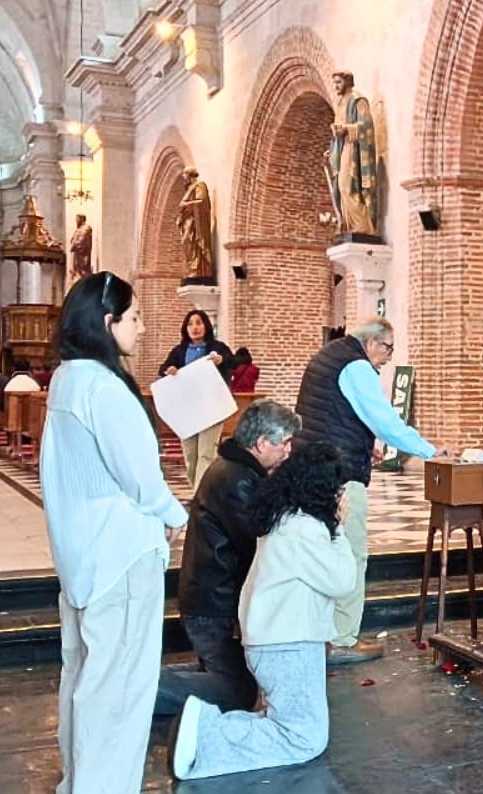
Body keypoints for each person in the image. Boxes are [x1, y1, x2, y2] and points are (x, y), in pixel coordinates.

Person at [40, 272, 187, 794]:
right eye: (134, 317)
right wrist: (178, 515)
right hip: (120, 553)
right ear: (107, 323)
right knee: (120, 685)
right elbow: (140, 477)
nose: (142, 327)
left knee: (85, 678)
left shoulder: (67, 379)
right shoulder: (102, 387)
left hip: (82, 553)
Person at [169, 441, 358, 780]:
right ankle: (206, 738)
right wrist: (340, 528)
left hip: (279, 640)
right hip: (289, 644)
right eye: (338, 489)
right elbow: (343, 579)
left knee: (291, 724)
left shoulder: (284, 518)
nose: (341, 496)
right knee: (303, 738)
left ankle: (205, 726)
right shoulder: (304, 529)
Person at [294, 317, 447, 664]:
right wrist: (428, 450)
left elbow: (333, 415)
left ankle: (320, 633)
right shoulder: (356, 365)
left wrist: (363, 445)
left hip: (314, 468)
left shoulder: (330, 354)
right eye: (388, 349)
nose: (388, 358)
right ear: (372, 343)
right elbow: (384, 420)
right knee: (349, 553)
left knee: (321, 552)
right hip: (339, 475)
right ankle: (342, 639)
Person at [157, 399, 298, 715]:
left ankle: (142, 684)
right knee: (235, 693)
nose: (289, 451)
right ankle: (140, 689)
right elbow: (257, 540)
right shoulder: (236, 479)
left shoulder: (237, 470)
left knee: (233, 681)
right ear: (261, 443)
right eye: (285, 443)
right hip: (213, 605)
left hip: (213, 598)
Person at [159, 310, 238, 489]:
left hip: (212, 407)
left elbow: (235, 361)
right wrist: (169, 370)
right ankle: (196, 489)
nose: (194, 327)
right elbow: (163, 368)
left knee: (206, 453)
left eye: (199, 322)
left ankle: (200, 494)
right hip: (188, 409)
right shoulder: (179, 351)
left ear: (206, 325)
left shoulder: (217, 347)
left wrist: (222, 360)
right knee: (190, 455)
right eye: (190, 324)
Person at [327, 71, 380, 238]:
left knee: (348, 185)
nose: (336, 86)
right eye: (334, 83)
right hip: (342, 147)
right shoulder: (340, 103)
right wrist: (332, 148)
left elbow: (366, 125)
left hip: (353, 148)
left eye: (339, 82)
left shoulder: (358, 100)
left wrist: (346, 129)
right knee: (339, 187)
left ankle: (363, 226)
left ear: (348, 82)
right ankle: (348, 224)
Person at [177, 167, 214, 283]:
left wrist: (186, 205)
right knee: (185, 242)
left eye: (185, 175)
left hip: (196, 223)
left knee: (193, 243)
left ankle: (199, 271)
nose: (184, 178)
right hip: (188, 221)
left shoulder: (200, 186)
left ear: (191, 175)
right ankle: (191, 269)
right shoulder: (189, 189)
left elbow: (201, 201)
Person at [68, 214, 93, 281]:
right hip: (77, 255)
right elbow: (73, 239)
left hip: (82, 255)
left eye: (77, 219)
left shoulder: (86, 228)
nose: (76, 221)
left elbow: (82, 240)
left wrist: (75, 245)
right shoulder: (79, 229)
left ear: (81, 219)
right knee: (76, 272)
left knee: (82, 272)